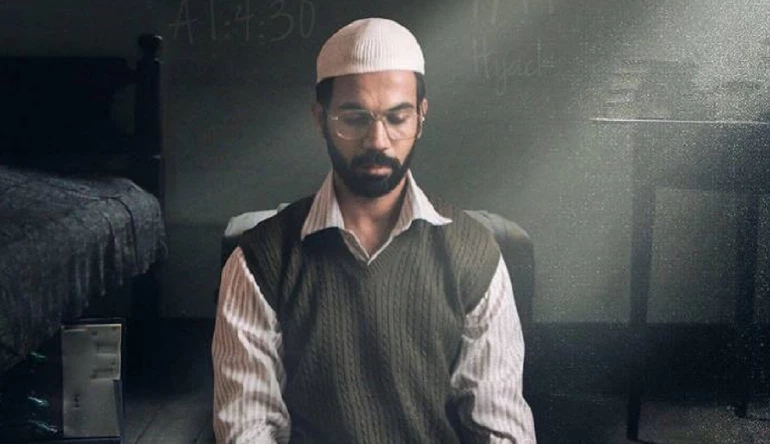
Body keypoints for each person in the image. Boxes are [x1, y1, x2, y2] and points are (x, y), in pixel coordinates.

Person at [212, 17, 536, 443]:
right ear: (320, 119)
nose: (378, 140)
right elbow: (247, 428)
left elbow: (500, 427)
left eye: (397, 118)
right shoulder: (261, 260)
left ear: (421, 117)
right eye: (354, 118)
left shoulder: (472, 252)